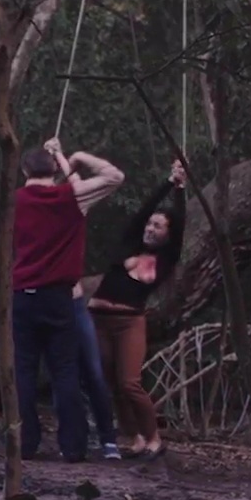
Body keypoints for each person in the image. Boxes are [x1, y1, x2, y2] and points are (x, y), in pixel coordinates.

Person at [11, 137, 124, 462]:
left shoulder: (15, 200)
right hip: (58, 296)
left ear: (24, 171)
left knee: (23, 369)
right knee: (64, 370)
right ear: (53, 170)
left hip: (23, 294)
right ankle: (73, 447)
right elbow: (115, 176)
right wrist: (74, 157)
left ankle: (25, 443)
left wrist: (60, 162)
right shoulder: (71, 196)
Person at [86, 159, 187, 458]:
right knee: (111, 383)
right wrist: (167, 182)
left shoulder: (166, 258)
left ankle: (153, 437)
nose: (150, 228)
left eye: (158, 226)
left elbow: (181, 225)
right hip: (98, 319)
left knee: (130, 383)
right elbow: (144, 210)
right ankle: (135, 437)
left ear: (167, 234)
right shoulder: (129, 243)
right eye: (150, 224)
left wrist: (180, 189)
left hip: (129, 321)